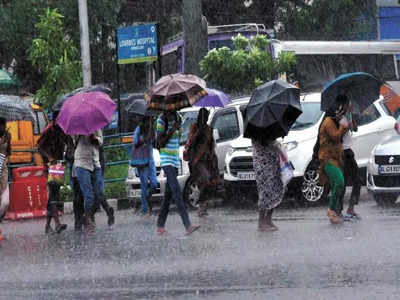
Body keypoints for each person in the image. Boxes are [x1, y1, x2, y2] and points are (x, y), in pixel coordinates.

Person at [156, 111, 200, 235]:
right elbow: (160, 143)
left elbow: (179, 139)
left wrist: (178, 127)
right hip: (166, 161)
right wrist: (172, 130)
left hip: (175, 161)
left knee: (168, 196)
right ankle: (188, 225)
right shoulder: (161, 120)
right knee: (177, 191)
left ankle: (160, 225)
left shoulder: (178, 117)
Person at [317, 95, 349, 224]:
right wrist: (342, 126)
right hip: (328, 159)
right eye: (340, 110)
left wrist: (345, 125)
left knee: (338, 184)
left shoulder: (334, 121)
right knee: (339, 182)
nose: (341, 112)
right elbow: (335, 136)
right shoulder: (328, 121)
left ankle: (336, 211)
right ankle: (331, 210)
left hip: (336, 158)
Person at [183, 108, 219, 217]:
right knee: (205, 178)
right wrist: (199, 131)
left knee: (211, 183)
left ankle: (203, 207)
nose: (206, 119)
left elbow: (211, 145)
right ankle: (200, 204)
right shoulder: (194, 127)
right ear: (200, 117)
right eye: (204, 116)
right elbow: (190, 142)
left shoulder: (209, 129)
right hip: (197, 160)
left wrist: (213, 159)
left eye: (207, 117)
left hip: (208, 160)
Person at [37, 117, 70, 234]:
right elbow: (39, 147)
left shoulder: (63, 129)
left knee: (54, 193)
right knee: (53, 193)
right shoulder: (48, 130)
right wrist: (49, 157)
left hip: (58, 165)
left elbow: (67, 144)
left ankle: (47, 225)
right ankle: (57, 223)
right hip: (49, 165)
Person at [73, 130, 106, 232]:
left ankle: (87, 215)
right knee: (88, 195)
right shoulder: (77, 126)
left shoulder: (96, 126)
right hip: (82, 162)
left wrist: (94, 138)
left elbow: (100, 142)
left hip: (95, 162)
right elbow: (73, 141)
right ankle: (88, 218)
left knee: (99, 193)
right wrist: (80, 134)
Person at [251, 133, 285, 232]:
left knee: (275, 190)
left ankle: (268, 219)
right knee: (265, 193)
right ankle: (261, 222)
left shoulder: (270, 129)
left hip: (274, 164)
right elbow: (264, 145)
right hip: (263, 167)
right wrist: (273, 144)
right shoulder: (256, 131)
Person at [339, 104, 362, 220]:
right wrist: (346, 126)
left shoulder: (348, 116)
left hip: (348, 151)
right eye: (350, 104)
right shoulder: (338, 118)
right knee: (343, 182)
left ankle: (350, 208)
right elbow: (337, 136)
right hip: (342, 152)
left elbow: (355, 129)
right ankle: (340, 211)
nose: (352, 106)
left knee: (357, 180)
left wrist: (352, 122)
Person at [132, 116, 158, 216]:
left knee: (154, 184)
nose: (148, 123)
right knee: (144, 186)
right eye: (147, 121)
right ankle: (144, 210)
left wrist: (154, 137)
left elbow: (155, 144)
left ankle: (145, 200)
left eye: (150, 120)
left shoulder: (152, 130)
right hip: (141, 161)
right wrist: (145, 139)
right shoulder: (138, 130)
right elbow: (135, 143)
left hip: (150, 161)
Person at [0, 118, 11, 241]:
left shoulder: (8, 135)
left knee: (5, 202)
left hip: (3, 171)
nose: (3, 127)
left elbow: (8, 152)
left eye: (4, 124)